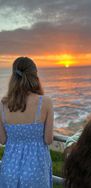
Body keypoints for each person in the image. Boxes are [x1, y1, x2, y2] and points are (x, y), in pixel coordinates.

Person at [0, 57, 54, 188]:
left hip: (9, 168)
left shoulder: (2, 105)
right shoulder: (45, 102)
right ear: (34, 76)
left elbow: (3, 140)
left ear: (13, 77)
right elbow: (48, 139)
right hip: (36, 170)